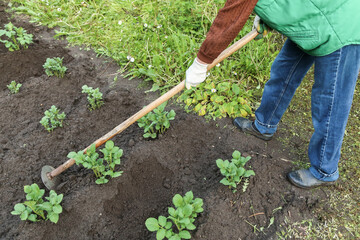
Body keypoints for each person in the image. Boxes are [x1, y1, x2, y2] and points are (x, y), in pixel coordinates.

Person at [185, 0, 360, 189]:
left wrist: (202, 61)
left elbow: (231, 17)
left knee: (331, 99)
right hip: (310, 19)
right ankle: (264, 125)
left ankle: (325, 170)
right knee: (283, 70)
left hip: (341, 26)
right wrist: (268, 16)